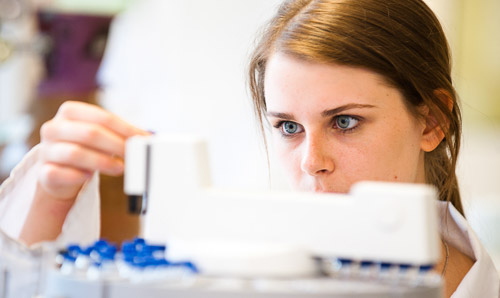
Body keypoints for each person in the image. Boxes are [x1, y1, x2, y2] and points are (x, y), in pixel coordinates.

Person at [0, 0, 498, 297]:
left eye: (345, 122)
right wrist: (49, 194)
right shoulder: (238, 263)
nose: (311, 162)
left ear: (430, 122)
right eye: (287, 127)